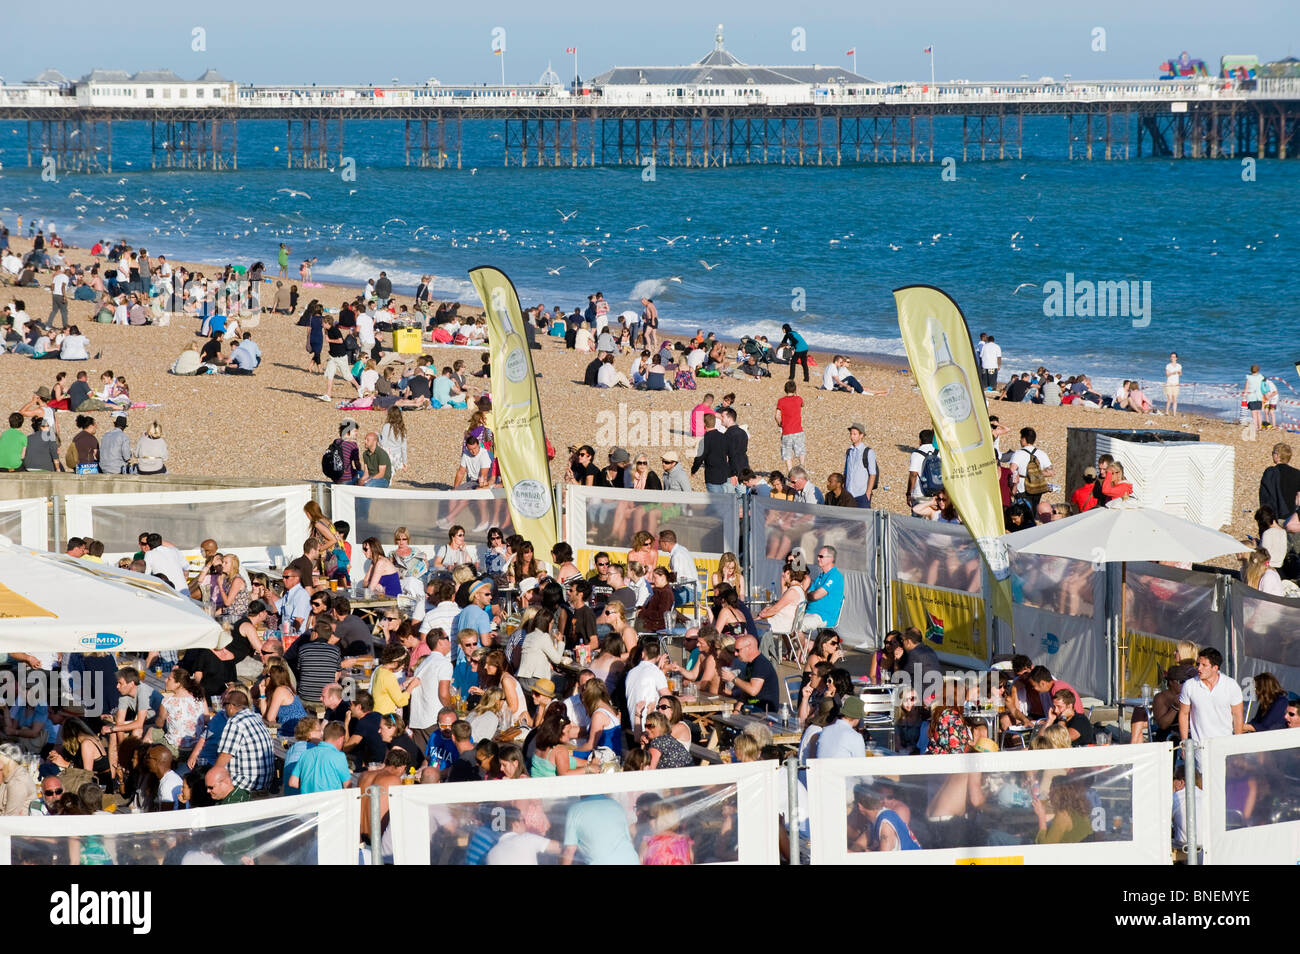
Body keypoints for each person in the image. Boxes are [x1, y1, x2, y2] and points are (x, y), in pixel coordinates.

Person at [1178, 648, 1244, 764]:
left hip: (1225, 746)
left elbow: (1237, 715)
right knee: (1202, 781)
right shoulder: (1189, 685)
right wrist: (1184, 743)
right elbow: (1183, 714)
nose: (1199, 668)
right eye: (1198, 664)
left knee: (1224, 781)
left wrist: (1238, 745)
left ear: (1215, 668)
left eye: (1204, 665)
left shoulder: (1231, 685)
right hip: (1200, 748)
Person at [721, 633, 779, 713]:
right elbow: (746, 690)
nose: (735, 654)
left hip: (763, 711)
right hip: (752, 707)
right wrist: (737, 709)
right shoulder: (750, 664)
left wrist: (733, 678)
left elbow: (753, 690)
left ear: (748, 648)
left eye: (738, 650)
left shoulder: (760, 664)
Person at [1243, 363, 1265, 434]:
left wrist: (1244, 395)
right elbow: (1263, 386)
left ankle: (1255, 427)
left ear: (1251, 370)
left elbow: (1246, 387)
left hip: (1251, 396)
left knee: (1253, 413)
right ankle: (1260, 427)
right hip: (1259, 396)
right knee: (1259, 412)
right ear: (1258, 370)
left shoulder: (1248, 377)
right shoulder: (1261, 377)